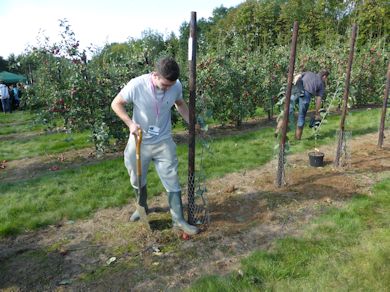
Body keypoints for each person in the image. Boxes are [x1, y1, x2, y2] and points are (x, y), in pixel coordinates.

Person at [111, 56, 199, 235]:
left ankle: (178, 220)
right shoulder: (136, 85)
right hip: (139, 142)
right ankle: (141, 207)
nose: (168, 88)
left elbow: (180, 104)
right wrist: (130, 124)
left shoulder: (176, 85)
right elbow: (116, 103)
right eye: (165, 84)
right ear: (155, 75)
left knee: (172, 179)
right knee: (136, 178)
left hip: (163, 141)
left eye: (171, 85)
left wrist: (192, 122)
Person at [289, 70, 329, 140]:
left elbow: (297, 76)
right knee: (301, 116)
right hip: (306, 95)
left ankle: (280, 131)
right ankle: (297, 139)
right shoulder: (321, 84)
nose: (326, 80)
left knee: (287, 109)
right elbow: (318, 100)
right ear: (324, 76)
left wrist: (295, 84)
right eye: (326, 78)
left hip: (296, 90)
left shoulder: (308, 73)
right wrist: (317, 113)